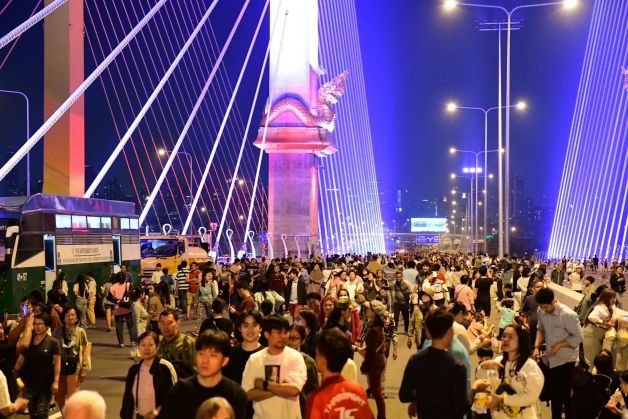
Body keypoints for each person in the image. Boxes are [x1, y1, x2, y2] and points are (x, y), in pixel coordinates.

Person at [158, 331, 247, 419]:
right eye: (201, 354)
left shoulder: (235, 394)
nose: (205, 360)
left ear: (224, 361)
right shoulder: (179, 391)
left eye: (212, 355)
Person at [399, 309, 469, 419]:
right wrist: (475, 392)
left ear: (428, 332)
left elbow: (404, 396)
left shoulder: (415, 360)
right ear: (450, 332)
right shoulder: (457, 366)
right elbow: (461, 407)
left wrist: (421, 395)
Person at [242, 315, 307, 419]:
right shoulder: (254, 359)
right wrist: (281, 388)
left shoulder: (296, 357)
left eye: (285, 332)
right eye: (279, 332)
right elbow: (247, 394)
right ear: (267, 334)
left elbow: (294, 390)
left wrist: (264, 385)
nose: (283, 336)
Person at [474, 323, 544, 418]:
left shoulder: (530, 366)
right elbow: (482, 390)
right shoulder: (497, 362)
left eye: (510, 337)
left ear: (520, 341)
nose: (505, 339)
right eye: (503, 336)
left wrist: (502, 399)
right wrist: (482, 368)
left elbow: (531, 397)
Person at [533, 287, 583, 419]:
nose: (543, 310)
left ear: (553, 301)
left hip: (566, 359)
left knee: (565, 395)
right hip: (550, 358)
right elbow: (540, 329)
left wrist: (559, 345)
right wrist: (536, 346)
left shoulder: (568, 315)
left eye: (546, 307)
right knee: (554, 394)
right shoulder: (541, 310)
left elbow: (578, 338)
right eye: (541, 307)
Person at [305, 329, 372, 419]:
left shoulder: (316, 398)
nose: (315, 358)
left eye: (317, 354)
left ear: (323, 359)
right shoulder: (359, 391)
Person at [121, 331, 177, 419]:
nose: (146, 348)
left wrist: (157, 411)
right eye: (143, 345)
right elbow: (127, 399)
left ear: (157, 347)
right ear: (138, 347)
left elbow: (173, 398)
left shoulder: (165, 368)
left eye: (150, 345)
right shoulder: (134, 370)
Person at [15, 312, 60, 419]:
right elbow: (20, 361)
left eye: (40, 324)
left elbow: (57, 364)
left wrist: (56, 382)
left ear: (47, 326)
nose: (37, 327)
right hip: (30, 383)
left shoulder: (53, 342)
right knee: (33, 412)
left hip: (45, 384)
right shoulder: (29, 341)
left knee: (41, 412)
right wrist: (17, 376)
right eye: (35, 324)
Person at [52, 306, 90, 411]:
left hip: (74, 365)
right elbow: (52, 348)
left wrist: (84, 367)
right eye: (68, 315)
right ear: (63, 318)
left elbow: (85, 349)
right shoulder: (57, 332)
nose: (70, 317)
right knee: (60, 395)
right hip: (60, 365)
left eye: (73, 315)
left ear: (77, 318)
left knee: (73, 395)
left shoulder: (80, 331)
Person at [357, 300, 387, 419]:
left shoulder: (374, 329)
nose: (366, 311)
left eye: (368, 309)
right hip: (378, 360)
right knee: (376, 391)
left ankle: (381, 416)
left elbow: (370, 352)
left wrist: (364, 366)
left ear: (374, 312)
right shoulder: (377, 326)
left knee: (376, 392)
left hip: (375, 362)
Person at [287, 325, 319, 417]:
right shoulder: (279, 359)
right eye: (289, 338)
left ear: (302, 340)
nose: (291, 342)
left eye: (295, 338)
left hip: (302, 409)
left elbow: (314, 391)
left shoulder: (308, 362)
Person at [583, 289, 618, 369]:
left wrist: (613, 320)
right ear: (606, 298)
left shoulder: (610, 305)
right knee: (591, 360)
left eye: (614, 297)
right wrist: (604, 323)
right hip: (591, 334)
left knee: (597, 359)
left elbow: (615, 313)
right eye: (612, 298)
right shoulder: (599, 307)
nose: (614, 300)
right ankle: (589, 376)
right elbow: (591, 317)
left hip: (599, 334)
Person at [157, 311, 197, 379]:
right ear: (158, 325)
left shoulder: (188, 343)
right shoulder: (158, 346)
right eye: (163, 323)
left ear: (178, 323)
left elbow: (198, 371)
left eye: (170, 322)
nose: (166, 326)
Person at [111, 272, 135, 348]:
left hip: (118, 309)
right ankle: (133, 342)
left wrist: (117, 301)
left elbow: (109, 297)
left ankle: (121, 343)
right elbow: (133, 294)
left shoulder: (113, 287)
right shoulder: (128, 285)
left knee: (119, 326)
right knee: (130, 326)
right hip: (128, 307)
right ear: (125, 278)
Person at [194, 270, 220, 337]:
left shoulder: (212, 284)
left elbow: (214, 294)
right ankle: (197, 330)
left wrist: (215, 303)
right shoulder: (200, 284)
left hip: (210, 302)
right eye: (208, 276)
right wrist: (195, 304)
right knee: (199, 317)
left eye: (211, 275)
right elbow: (197, 295)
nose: (210, 277)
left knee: (210, 317)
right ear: (204, 277)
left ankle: (214, 329)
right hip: (201, 302)